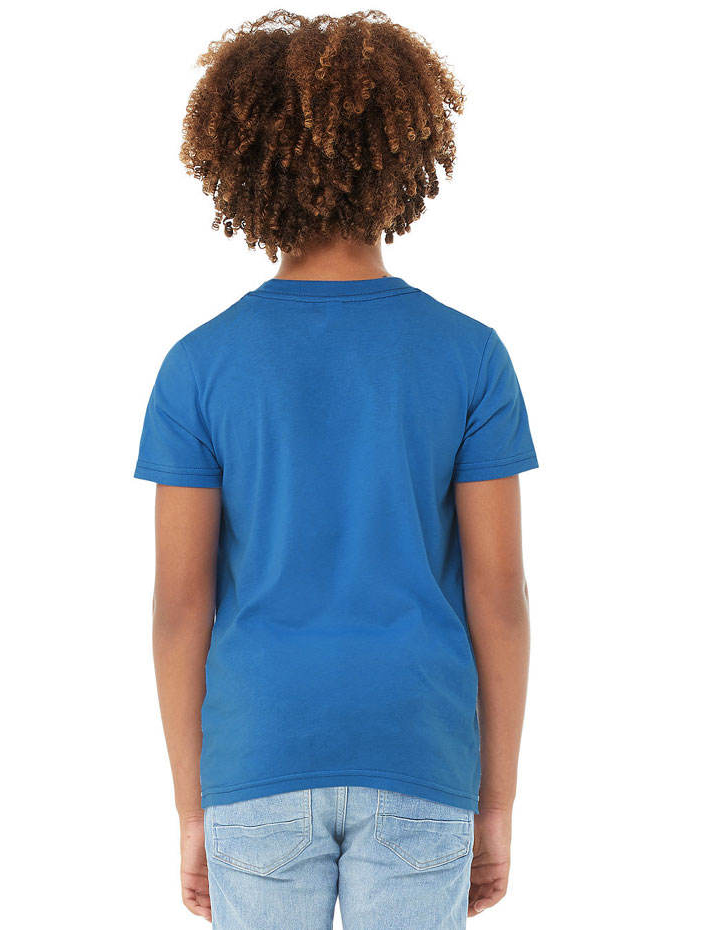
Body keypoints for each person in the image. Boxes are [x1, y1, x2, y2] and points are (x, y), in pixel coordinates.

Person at [135, 11, 537, 928]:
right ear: (401, 156)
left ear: (243, 166)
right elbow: (500, 596)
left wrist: (192, 811)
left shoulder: (198, 365)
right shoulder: (470, 355)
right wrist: (498, 802)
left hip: (257, 754)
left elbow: (179, 608)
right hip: (420, 749)